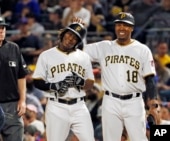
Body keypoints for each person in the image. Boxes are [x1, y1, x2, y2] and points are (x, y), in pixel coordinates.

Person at [81, 12, 158, 141]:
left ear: (132, 28)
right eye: (119, 25)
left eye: (126, 25)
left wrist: (153, 105)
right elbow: (78, 50)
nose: (122, 28)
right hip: (111, 100)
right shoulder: (104, 46)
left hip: (134, 101)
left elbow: (150, 79)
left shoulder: (142, 50)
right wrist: (79, 31)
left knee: (139, 138)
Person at [32, 22, 95, 141]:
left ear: (78, 42)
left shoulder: (83, 57)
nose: (71, 39)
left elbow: (90, 83)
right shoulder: (46, 55)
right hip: (56, 106)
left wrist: (80, 81)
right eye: (70, 34)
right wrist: (54, 86)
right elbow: (37, 81)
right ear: (63, 33)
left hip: (79, 106)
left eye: (75, 38)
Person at [0, 15, 28, 141]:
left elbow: (21, 76)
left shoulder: (13, 48)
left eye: (3, 28)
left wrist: (22, 100)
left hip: (13, 106)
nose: (1, 30)